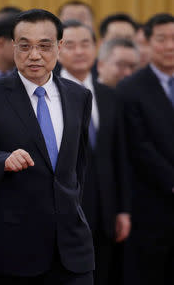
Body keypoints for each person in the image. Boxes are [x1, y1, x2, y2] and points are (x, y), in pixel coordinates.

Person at [0, 9, 94, 285]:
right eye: (25, 46)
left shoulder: (79, 95)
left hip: (72, 249)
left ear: (59, 47)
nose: (34, 55)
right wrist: (2, 160)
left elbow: (78, 164)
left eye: (44, 46)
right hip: (14, 248)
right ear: (12, 46)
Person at [58, 20, 132, 285]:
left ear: (97, 47)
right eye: (70, 45)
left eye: (85, 44)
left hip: (106, 210)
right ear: (57, 49)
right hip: (65, 210)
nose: (79, 51)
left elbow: (119, 155)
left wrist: (123, 209)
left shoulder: (109, 95)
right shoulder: (48, 93)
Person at [117, 12, 174, 285]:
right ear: (148, 44)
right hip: (151, 205)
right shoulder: (130, 88)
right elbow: (139, 146)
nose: (170, 46)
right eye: (162, 39)